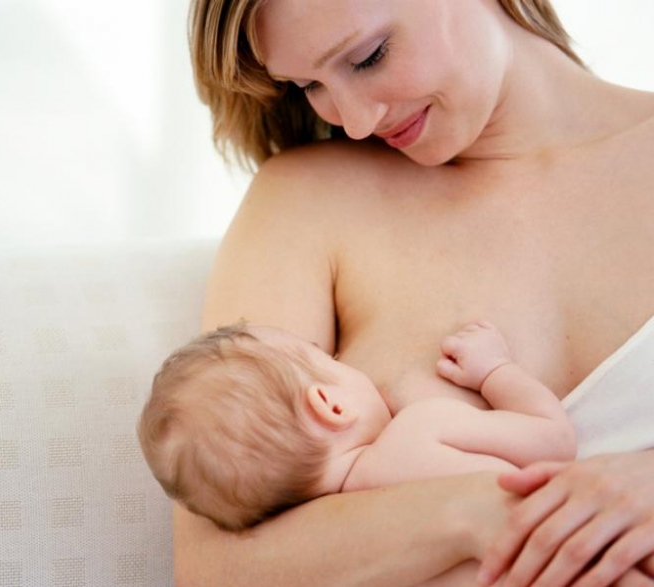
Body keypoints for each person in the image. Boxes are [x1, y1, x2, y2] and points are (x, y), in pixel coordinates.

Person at [176, 0, 654, 585]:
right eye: (308, 86)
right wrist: (483, 512)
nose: (355, 121)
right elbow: (216, 567)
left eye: (368, 56)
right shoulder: (307, 202)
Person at [139, 320, 575, 531]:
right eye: (329, 359)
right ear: (331, 406)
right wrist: (493, 369)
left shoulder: (347, 540)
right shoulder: (420, 427)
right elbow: (554, 440)